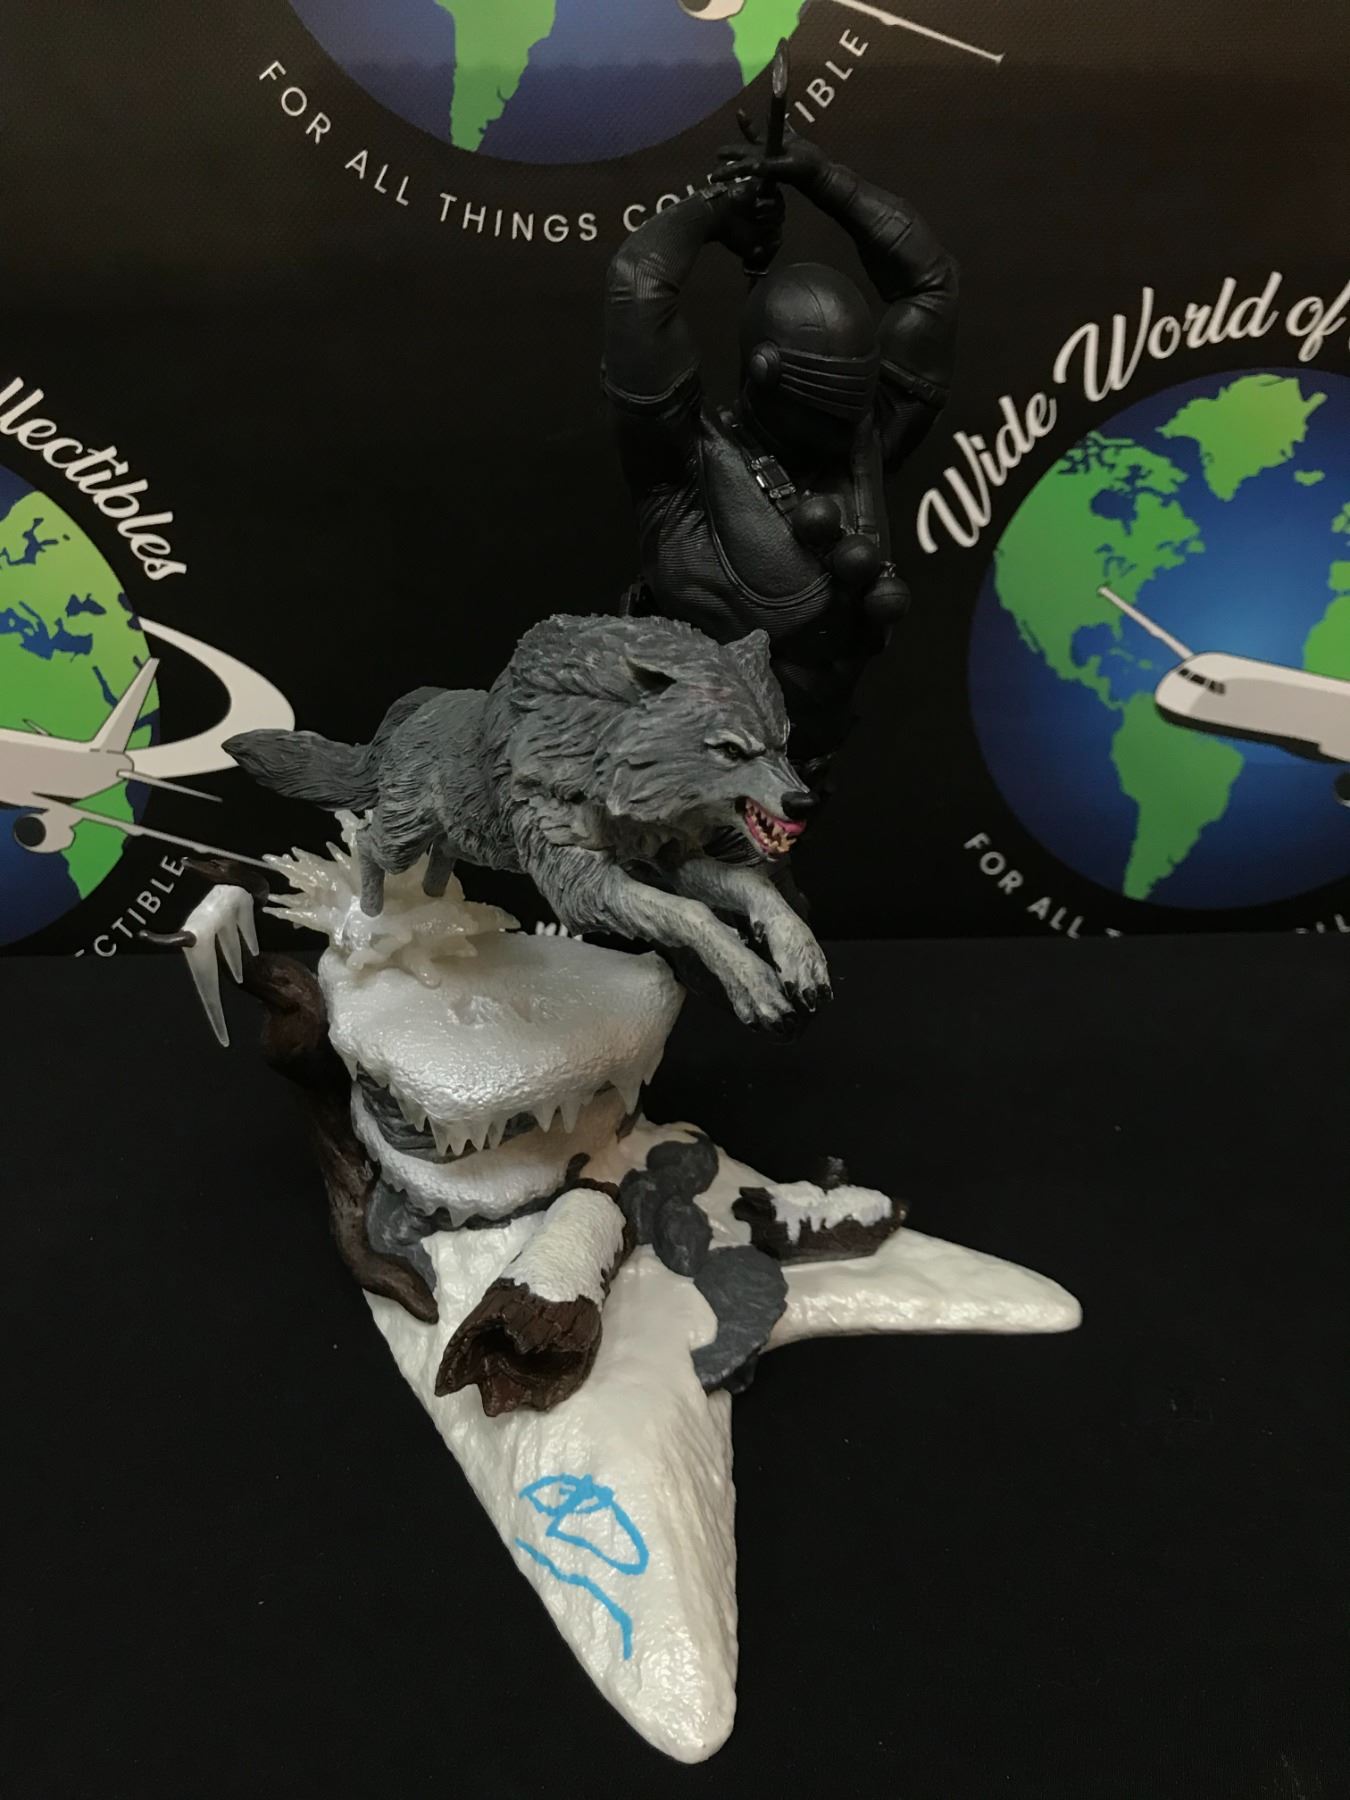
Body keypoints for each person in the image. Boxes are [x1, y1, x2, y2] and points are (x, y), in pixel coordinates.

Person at [604, 125, 958, 785]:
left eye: (851, 397)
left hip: (801, 776)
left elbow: (930, 284)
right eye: (820, 401)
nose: (836, 421)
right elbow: (637, 282)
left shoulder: (865, 439)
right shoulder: (685, 470)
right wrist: (722, 206)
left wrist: (825, 179)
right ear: (764, 375)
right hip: (675, 782)